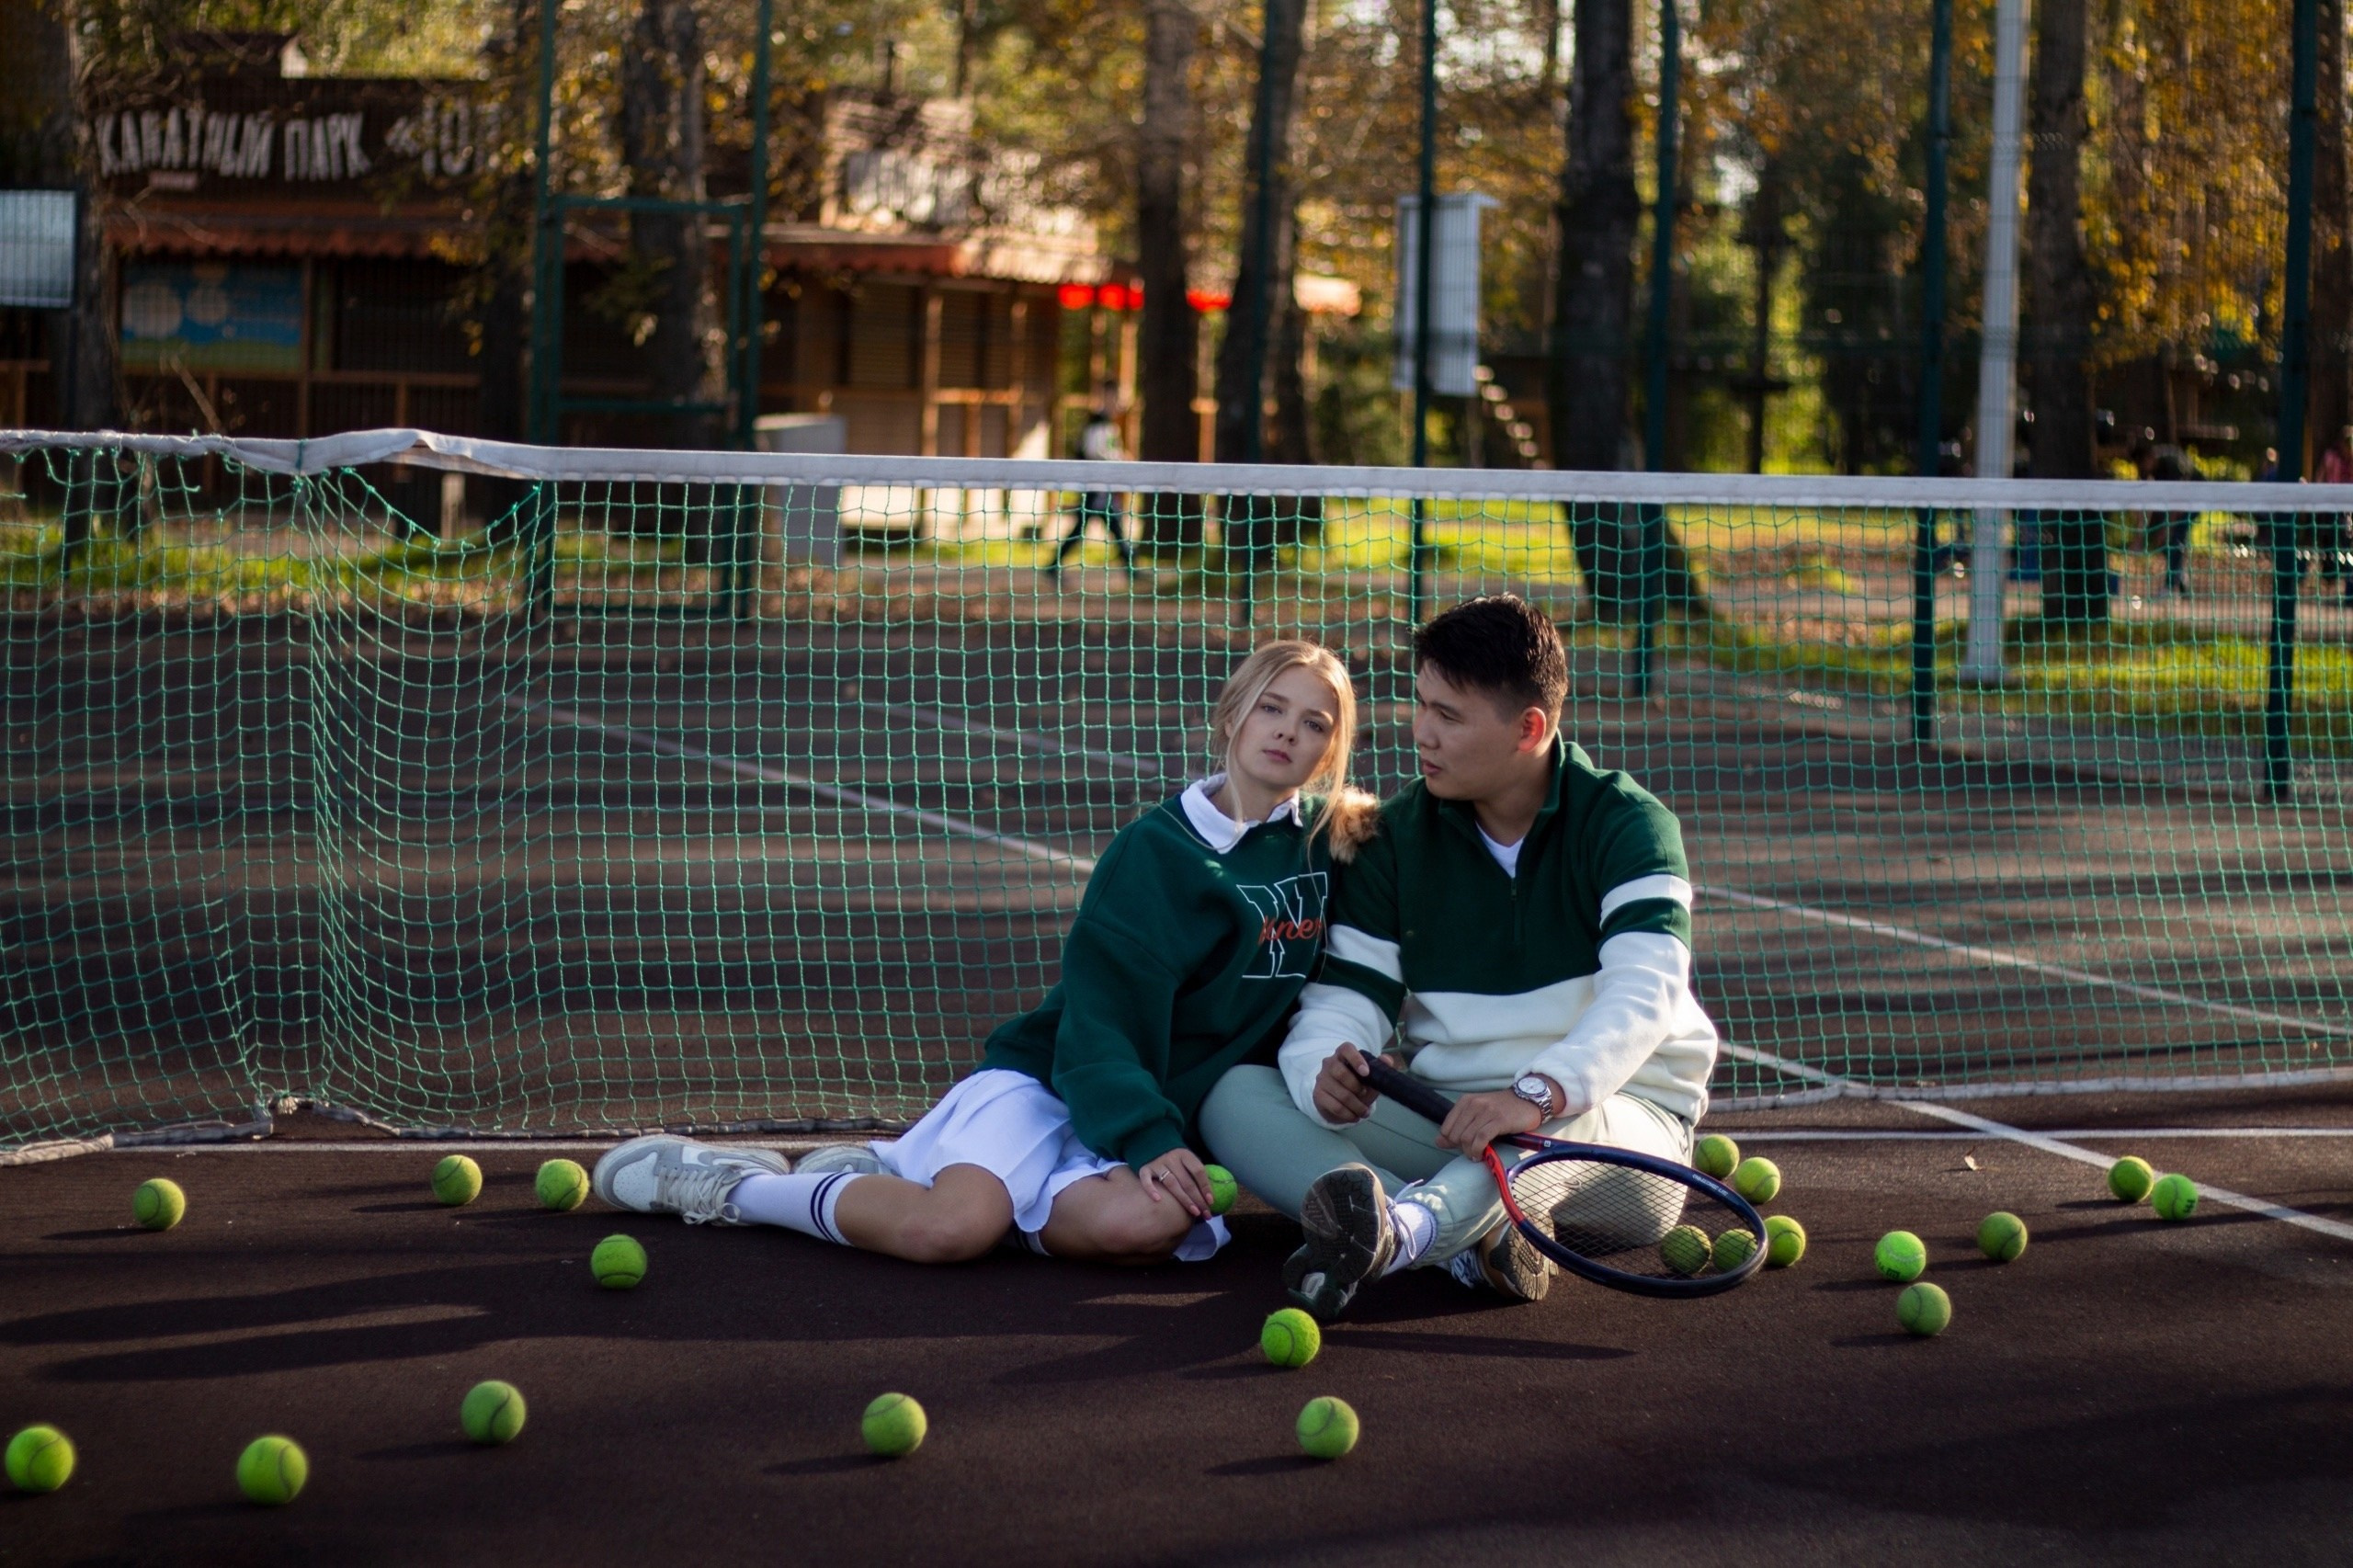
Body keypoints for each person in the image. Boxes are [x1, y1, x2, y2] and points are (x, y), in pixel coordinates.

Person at [592, 641, 1377, 1266]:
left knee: (1151, 1225)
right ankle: (735, 1185)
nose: (1288, 731)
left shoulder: (1325, 846)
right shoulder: (1156, 852)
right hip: (1059, 1082)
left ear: (1331, 750)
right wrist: (1149, 1135)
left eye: (1315, 723)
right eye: (1273, 707)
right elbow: (1098, 1027)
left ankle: (889, 1177)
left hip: (1149, 1118)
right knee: (953, 1233)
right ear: (1233, 714)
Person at [1199, 595, 1719, 1319]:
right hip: (1446, 1125)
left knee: (1549, 1131)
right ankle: (1456, 1235)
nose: (1421, 733)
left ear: (1529, 730)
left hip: (1616, 1136)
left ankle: (1406, 1233)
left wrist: (1534, 1094)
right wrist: (1322, 1065)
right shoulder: (1393, 838)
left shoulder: (1628, 825)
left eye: (1448, 715)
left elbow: (1644, 997)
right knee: (1233, 1096)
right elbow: (1346, 999)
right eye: (1421, 705)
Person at [1044, 404, 1139, 583]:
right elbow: (1094, 452)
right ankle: (1053, 564)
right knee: (1087, 529)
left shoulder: (1108, 427)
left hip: (1104, 487)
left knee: (1115, 527)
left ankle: (1131, 568)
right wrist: (1118, 458)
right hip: (1096, 488)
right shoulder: (1098, 429)